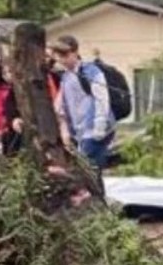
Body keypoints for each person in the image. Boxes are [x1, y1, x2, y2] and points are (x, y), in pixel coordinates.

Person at [49, 34, 114, 171]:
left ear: (75, 52)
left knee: (86, 169)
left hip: (94, 129)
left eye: (65, 55)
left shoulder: (90, 71)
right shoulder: (66, 76)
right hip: (79, 132)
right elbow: (60, 107)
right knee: (89, 170)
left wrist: (100, 125)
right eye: (59, 56)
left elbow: (102, 98)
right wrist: (65, 130)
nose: (62, 60)